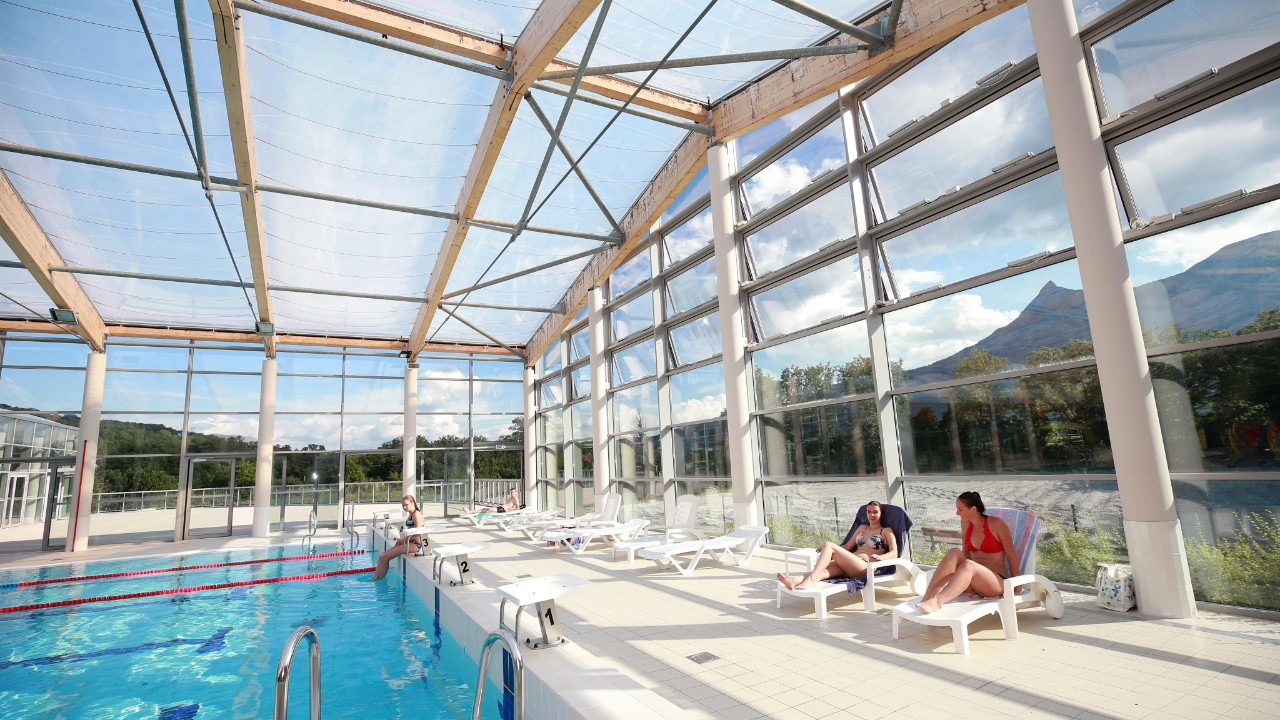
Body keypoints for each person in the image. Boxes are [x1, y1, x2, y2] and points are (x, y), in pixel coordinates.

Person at [914, 491, 1019, 614]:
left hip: (994, 583)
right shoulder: (966, 524)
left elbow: (1011, 556)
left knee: (969, 565)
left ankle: (937, 601)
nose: (957, 513)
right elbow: (965, 553)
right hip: (972, 582)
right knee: (954, 552)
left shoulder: (996, 524)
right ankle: (928, 596)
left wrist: (1016, 587)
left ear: (973, 509)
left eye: (960, 509)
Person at [777, 500, 898, 591]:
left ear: (881, 514)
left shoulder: (886, 531)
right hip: (851, 563)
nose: (872, 515)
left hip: (865, 566)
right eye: (869, 512)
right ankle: (793, 580)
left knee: (829, 545)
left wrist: (882, 558)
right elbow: (847, 547)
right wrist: (826, 550)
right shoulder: (862, 528)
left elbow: (894, 552)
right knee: (822, 571)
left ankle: (811, 580)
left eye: (875, 512)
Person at [373, 495, 426, 580]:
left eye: (406, 505)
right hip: (409, 542)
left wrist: (402, 540)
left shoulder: (416, 515)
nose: (404, 507)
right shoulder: (411, 514)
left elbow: (417, 533)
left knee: (385, 557)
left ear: (413, 503)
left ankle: (378, 580)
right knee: (382, 556)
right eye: (403, 505)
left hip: (415, 544)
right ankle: (375, 578)